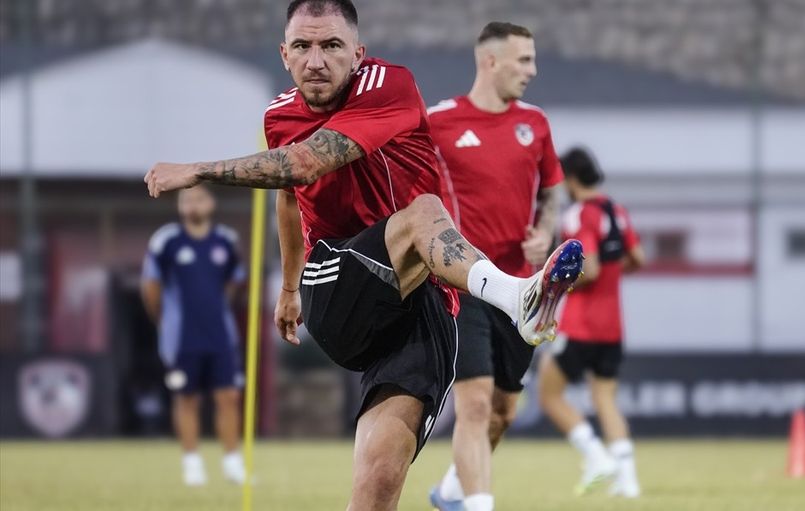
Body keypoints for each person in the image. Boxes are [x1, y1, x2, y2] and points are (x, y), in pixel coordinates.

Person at [143, 1, 583, 508]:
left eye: (331, 45)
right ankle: (518, 296)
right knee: (424, 212)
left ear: (358, 53)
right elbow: (291, 192)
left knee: (378, 486)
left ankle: (514, 312)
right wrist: (289, 287)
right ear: (284, 54)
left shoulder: (389, 86)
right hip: (336, 282)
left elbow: (303, 164)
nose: (316, 61)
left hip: (420, 306)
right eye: (303, 47)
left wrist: (199, 168)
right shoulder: (279, 116)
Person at [425, 22, 564, 511]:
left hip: (522, 291)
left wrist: (545, 231)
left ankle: (450, 491)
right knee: (475, 404)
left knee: (502, 413)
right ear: (490, 61)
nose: (533, 70)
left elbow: (552, 192)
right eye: (524, 60)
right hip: (463, 285)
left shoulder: (536, 123)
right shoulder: (437, 122)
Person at [537, 147, 645, 498]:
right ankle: (628, 481)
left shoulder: (579, 214)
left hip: (581, 324)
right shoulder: (617, 211)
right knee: (605, 398)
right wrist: (612, 277)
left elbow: (591, 267)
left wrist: (554, 281)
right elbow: (637, 258)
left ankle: (596, 456)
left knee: (548, 395)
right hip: (613, 326)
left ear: (569, 178)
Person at [140, 184, 247, 486]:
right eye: (186, 199)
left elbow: (234, 282)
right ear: (179, 206)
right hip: (181, 337)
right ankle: (192, 463)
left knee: (228, 396)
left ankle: (232, 462)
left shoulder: (225, 241)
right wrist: (164, 321)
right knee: (186, 397)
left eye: (199, 198)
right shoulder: (167, 241)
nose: (193, 204)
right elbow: (151, 286)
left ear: (210, 203)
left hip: (220, 334)